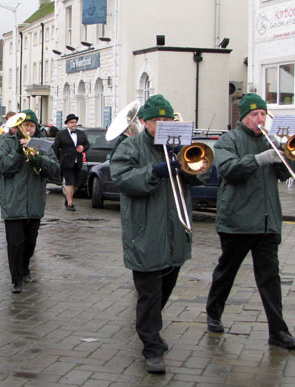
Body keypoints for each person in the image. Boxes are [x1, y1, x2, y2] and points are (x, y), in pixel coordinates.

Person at [110, 94, 206, 374]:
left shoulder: (179, 146)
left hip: (176, 230)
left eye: (167, 119)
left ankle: (150, 328)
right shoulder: (130, 146)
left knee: (165, 288)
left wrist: (187, 167)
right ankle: (151, 346)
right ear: (144, 122)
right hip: (145, 232)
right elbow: (123, 178)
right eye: (157, 121)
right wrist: (156, 170)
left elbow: (198, 176)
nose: (163, 125)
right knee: (149, 294)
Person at [205, 93, 295, 349]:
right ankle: (214, 312)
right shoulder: (229, 140)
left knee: (270, 277)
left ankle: (278, 331)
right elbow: (228, 170)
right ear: (244, 117)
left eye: (263, 114)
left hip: (267, 221)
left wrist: (286, 156)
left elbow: (284, 174)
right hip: (237, 220)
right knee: (227, 271)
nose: (260, 119)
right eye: (254, 115)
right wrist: (260, 159)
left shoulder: (271, 140)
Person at [0, 109, 59, 294]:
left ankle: (24, 267)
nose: (28, 130)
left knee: (30, 241)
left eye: (31, 126)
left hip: (35, 202)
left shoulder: (43, 145)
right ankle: (16, 278)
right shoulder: (6, 141)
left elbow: (54, 168)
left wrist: (37, 158)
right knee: (15, 243)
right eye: (25, 126)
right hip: (13, 201)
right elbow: (2, 166)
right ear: (18, 127)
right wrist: (19, 152)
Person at [52, 113, 90, 211]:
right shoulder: (61, 134)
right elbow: (55, 147)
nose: (74, 124)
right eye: (72, 122)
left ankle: (68, 198)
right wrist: (58, 159)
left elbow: (87, 144)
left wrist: (83, 148)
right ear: (67, 124)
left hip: (78, 162)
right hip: (66, 162)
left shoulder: (81, 133)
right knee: (69, 183)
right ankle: (70, 204)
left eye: (75, 122)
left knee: (77, 184)